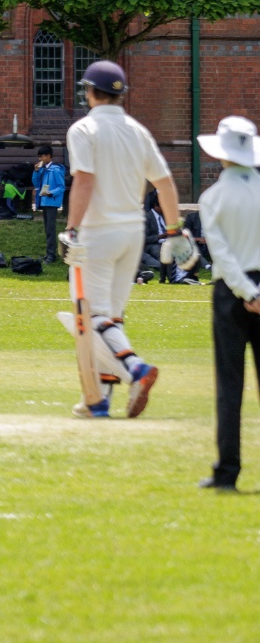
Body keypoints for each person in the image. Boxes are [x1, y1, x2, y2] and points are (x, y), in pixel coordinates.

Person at [63, 60, 181, 418]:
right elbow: (164, 183)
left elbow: (84, 180)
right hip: (133, 232)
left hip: (98, 233)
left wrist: (71, 229)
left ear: (89, 92)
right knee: (110, 319)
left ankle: (136, 370)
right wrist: (174, 230)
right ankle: (98, 401)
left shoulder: (83, 129)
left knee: (91, 316)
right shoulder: (137, 130)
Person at [198, 117, 260, 490]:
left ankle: (227, 471)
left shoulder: (213, 198)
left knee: (230, 383)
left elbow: (221, 253)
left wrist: (246, 292)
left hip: (230, 293)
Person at [33, 144, 67, 262]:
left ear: (48, 156)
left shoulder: (55, 170)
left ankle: (52, 255)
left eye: (41, 156)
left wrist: (50, 193)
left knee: (51, 229)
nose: (39, 159)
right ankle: (49, 254)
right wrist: (36, 171)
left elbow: (61, 187)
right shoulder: (43, 170)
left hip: (51, 202)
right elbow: (36, 183)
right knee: (47, 229)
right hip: (44, 201)